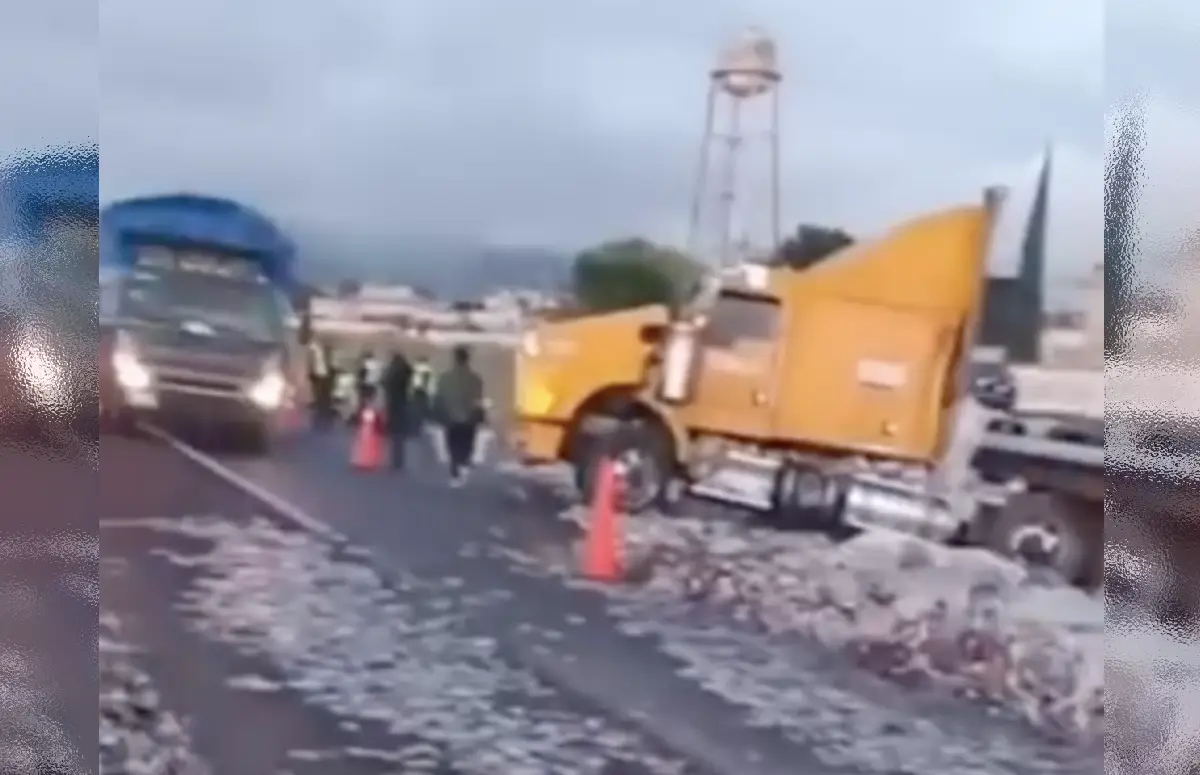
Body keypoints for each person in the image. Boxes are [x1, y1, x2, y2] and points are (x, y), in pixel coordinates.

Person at [434, 345, 485, 487]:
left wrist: (439, 412)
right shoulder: (475, 379)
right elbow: (478, 399)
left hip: (451, 417)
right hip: (468, 419)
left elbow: (440, 397)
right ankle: (463, 462)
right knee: (466, 443)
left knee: (452, 444)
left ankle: (455, 464)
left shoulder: (446, 378)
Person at [380, 350, 414, 470]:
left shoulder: (392, 373)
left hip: (393, 404)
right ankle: (399, 461)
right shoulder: (405, 373)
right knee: (399, 436)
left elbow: (383, 382)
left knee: (394, 435)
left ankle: (395, 461)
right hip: (403, 404)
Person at [307, 339, 334, 429]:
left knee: (321, 369)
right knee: (321, 369)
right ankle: (318, 350)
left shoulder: (323, 407)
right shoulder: (323, 406)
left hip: (322, 386)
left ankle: (319, 350)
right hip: (322, 385)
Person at [408, 355, 436, 433]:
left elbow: (412, 382)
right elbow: (428, 382)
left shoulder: (415, 368)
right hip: (424, 392)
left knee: (416, 412)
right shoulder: (427, 369)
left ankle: (416, 427)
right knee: (423, 411)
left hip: (416, 392)